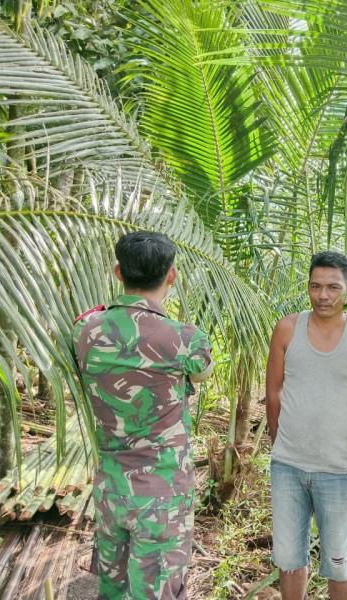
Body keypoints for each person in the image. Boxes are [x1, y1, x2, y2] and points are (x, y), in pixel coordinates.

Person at [73, 231, 213, 600]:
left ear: (118, 272)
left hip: (110, 489)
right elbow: (201, 373)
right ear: (171, 275)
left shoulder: (85, 330)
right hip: (162, 493)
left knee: (113, 590)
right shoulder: (187, 339)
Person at [266, 250, 347, 600]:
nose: (323, 296)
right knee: (289, 561)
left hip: (338, 472)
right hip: (287, 468)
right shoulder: (287, 329)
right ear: (308, 287)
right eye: (315, 286)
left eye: (333, 287)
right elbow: (273, 393)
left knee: (339, 563)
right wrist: (280, 444)